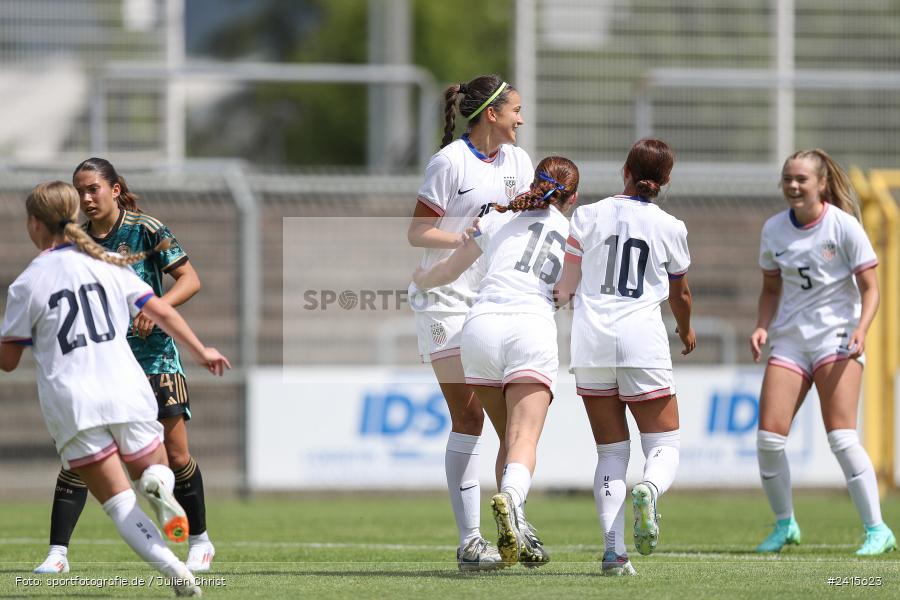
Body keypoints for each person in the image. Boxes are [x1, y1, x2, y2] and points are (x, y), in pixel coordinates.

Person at [1, 181, 231, 597]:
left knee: (119, 502)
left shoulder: (27, 283)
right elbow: (158, 308)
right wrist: (200, 350)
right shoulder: (107, 261)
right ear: (74, 216)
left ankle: (177, 573)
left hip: (74, 401)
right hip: (127, 386)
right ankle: (158, 483)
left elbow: (8, 359)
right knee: (156, 467)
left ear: (34, 224)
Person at [414, 156, 579, 568]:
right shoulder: (575, 232)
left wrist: (419, 281)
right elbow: (565, 295)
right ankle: (513, 502)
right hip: (530, 328)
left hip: (480, 328)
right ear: (572, 197)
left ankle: (517, 526)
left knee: (506, 436)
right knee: (523, 440)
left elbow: (447, 272)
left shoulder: (497, 220)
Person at [407, 74, 534, 571]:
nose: (521, 119)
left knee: (507, 423)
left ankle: (516, 527)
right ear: (492, 114)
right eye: (516, 110)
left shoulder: (518, 162)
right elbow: (417, 232)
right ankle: (470, 543)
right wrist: (465, 237)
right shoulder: (449, 162)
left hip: (491, 300)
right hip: (442, 298)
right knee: (470, 417)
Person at [554, 138, 695, 576]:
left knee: (611, 454)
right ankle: (649, 489)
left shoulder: (587, 215)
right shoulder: (671, 226)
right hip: (642, 341)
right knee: (665, 444)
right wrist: (686, 329)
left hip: (592, 339)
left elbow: (566, 285)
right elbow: (681, 292)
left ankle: (614, 553)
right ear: (666, 180)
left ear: (625, 171)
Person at [750, 148, 896, 555]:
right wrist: (763, 325)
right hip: (792, 340)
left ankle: (877, 530)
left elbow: (871, 289)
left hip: (838, 337)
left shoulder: (844, 227)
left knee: (842, 437)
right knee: (768, 440)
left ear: (822, 184)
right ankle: (785, 525)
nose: (794, 186)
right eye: (788, 179)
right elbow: (771, 288)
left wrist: (862, 330)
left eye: (802, 179)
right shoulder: (774, 229)